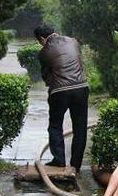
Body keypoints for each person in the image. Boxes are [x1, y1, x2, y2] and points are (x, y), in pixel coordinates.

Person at [34, 25, 89, 174]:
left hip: (60, 91)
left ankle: (59, 161)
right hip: (81, 88)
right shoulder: (73, 41)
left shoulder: (44, 52)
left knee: (55, 125)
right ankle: (75, 165)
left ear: (42, 39)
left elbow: (46, 76)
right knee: (80, 127)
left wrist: (52, 85)